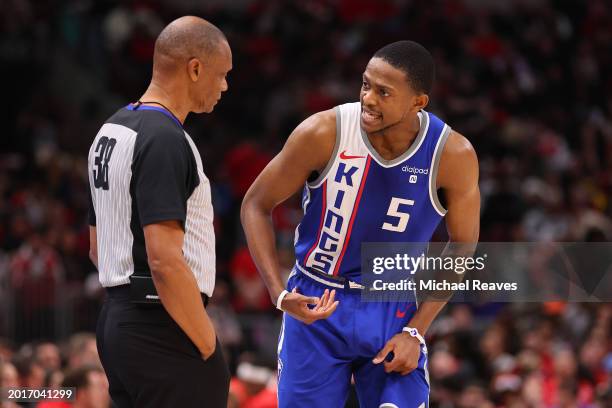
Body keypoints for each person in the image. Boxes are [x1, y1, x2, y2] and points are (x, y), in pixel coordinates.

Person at [241, 40, 480, 407]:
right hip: (317, 299)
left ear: (418, 102)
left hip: (392, 305)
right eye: (366, 84)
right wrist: (279, 293)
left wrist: (417, 330)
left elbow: (463, 245)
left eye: (384, 92)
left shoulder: (452, 155)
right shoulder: (323, 132)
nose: (368, 98)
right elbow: (256, 204)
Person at [88, 16, 232, 407]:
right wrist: (206, 341)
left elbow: (96, 247)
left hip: (118, 322)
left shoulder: (111, 130)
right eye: (221, 75)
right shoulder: (166, 139)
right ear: (195, 68)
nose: (224, 86)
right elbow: (165, 260)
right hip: (163, 328)